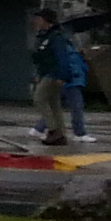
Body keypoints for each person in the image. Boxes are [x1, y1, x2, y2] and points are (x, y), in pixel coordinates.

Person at [31, 9, 92, 146]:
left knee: (39, 98)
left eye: (39, 18)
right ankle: (60, 134)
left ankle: (54, 129)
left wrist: (62, 75)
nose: (36, 21)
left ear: (46, 20)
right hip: (47, 73)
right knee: (54, 103)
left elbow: (62, 57)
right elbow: (40, 58)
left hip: (54, 74)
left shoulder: (55, 37)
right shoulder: (43, 36)